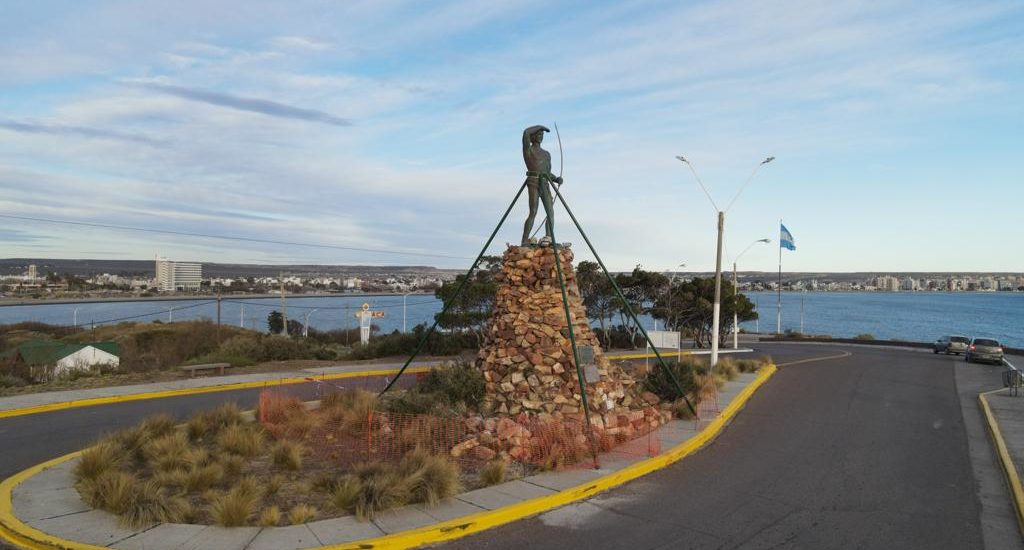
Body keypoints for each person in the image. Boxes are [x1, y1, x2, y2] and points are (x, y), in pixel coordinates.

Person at [520, 125, 563, 246]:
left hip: (545, 183)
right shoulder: (528, 151)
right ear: (533, 137)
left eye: (542, 135)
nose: (540, 137)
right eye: (538, 134)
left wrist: (556, 179)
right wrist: (540, 126)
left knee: (550, 212)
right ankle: (525, 240)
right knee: (533, 211)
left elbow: (548, 172)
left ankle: (549, 238)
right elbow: (525, 133)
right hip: (533, 181)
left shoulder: (546, 154)